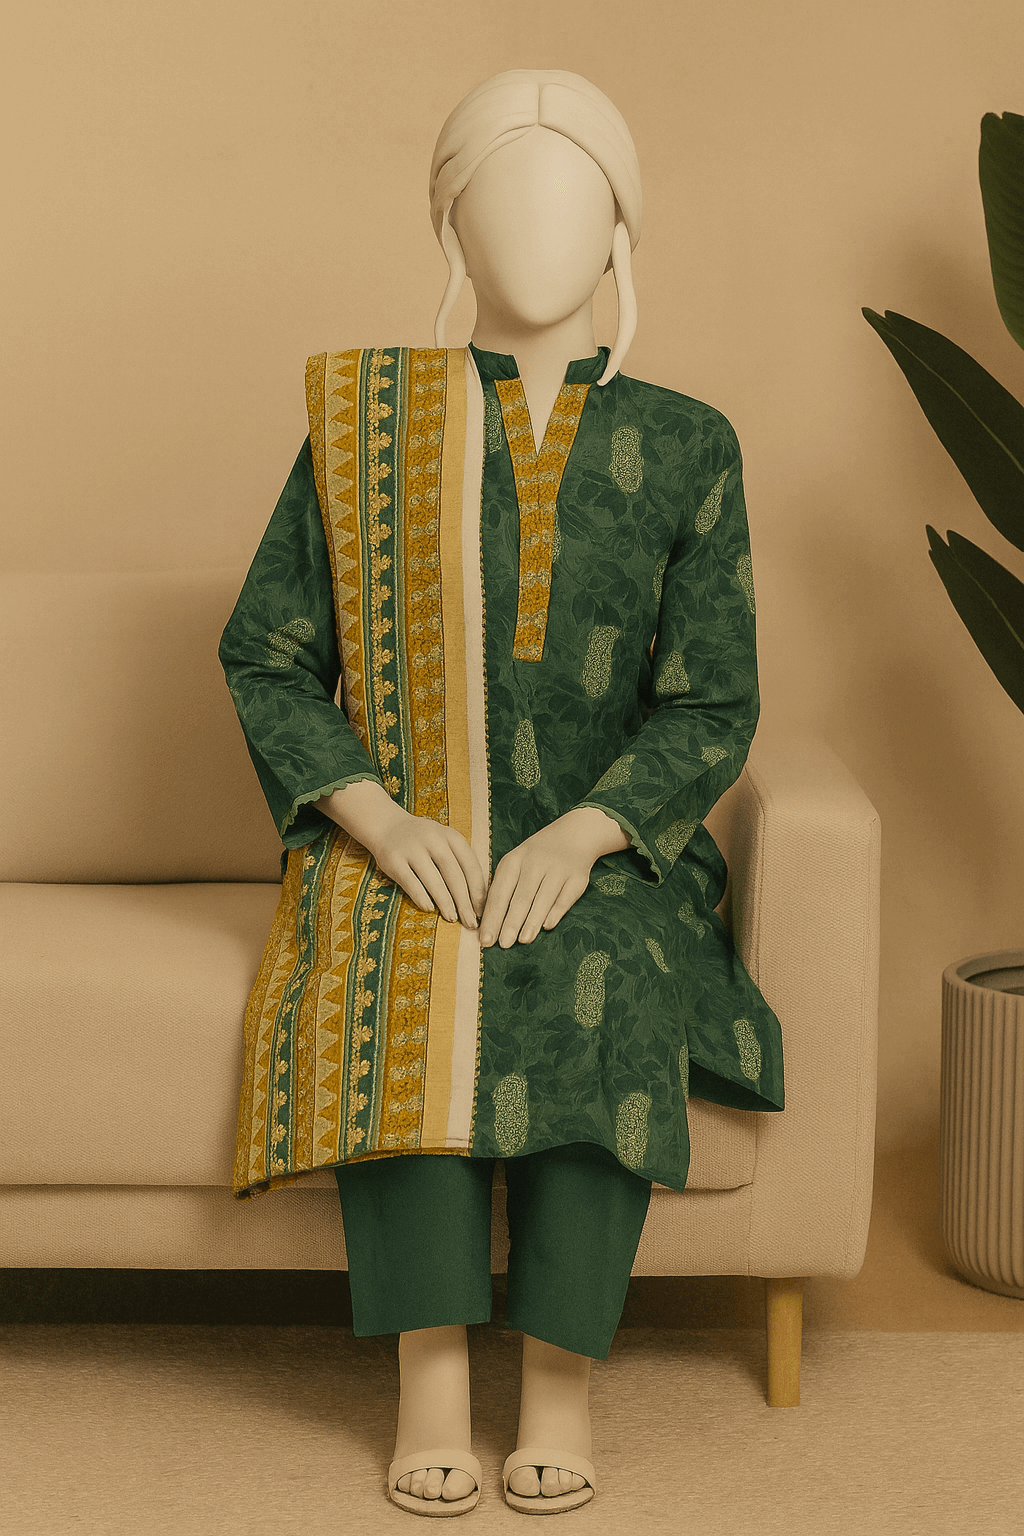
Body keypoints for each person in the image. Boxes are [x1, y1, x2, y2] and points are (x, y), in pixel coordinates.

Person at [219, 67, 785, 1518]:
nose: (538, 226)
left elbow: (712, 699)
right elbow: (269, 656)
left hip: (612, 846)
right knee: (404, 957)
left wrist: (590, 835)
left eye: (574, 194)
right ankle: (427, 1382)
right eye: (500, 193)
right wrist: (381, 821)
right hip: (407, 831)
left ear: (623, 234)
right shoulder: (363, 428)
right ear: (448, 229)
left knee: (601, 968)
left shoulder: (690, 444)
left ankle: (557, 1387)